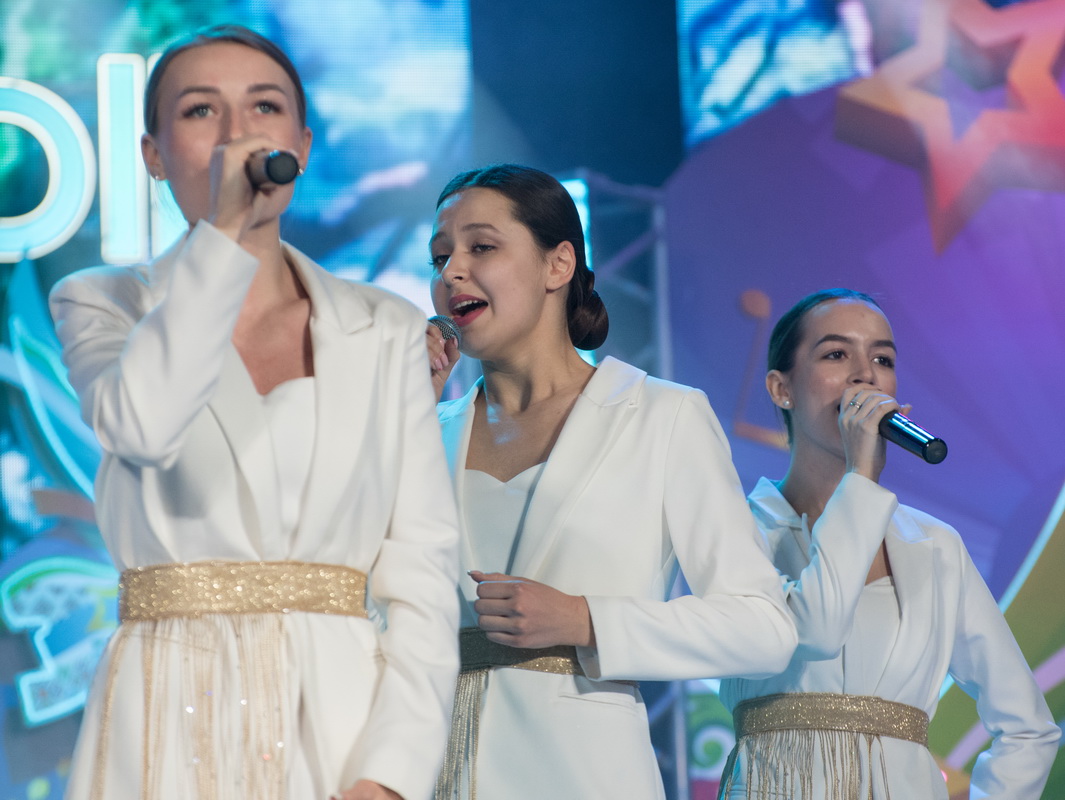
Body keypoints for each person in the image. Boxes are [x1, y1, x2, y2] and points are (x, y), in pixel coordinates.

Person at [49, 25, 460, 800]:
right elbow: (145, 424)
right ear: (153, 155)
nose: (236, 134)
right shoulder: (105, 303)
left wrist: (390, 776)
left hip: (338, 728)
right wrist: (224, 238)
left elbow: (423, 576)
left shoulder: (384, 327)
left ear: (300, 145)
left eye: (263, 107)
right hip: (164, 715)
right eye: (201, 111)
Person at [424, 163, 798, 800]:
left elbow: (763, 627)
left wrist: (584, 619)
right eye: (440, 258)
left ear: (558, 264)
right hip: (432, 772)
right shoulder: (424, 428)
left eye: (481, 247)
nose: (452, 272)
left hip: (584, 776)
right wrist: (401, 422)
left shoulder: (662, 415)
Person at [718, 289, 1060, 799]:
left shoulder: (934, 546)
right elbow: (816, 630)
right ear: (781, 388)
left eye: (883, 360)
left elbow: (1028, 729)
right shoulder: (735, 533)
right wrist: (861, 475)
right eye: (837, 354)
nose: (865, 375)